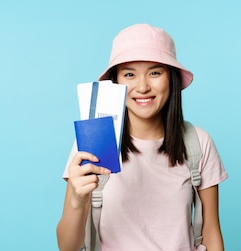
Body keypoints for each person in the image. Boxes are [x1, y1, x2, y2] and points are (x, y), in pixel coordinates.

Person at [56, 24, 228, 251]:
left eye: (155, 72)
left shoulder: (197, 142)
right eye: (129, 74)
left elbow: (211, 232)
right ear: (116, 82)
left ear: (171, 78)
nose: (143, 86)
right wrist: (77, 200)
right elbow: (67, 247)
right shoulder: (94, 142)